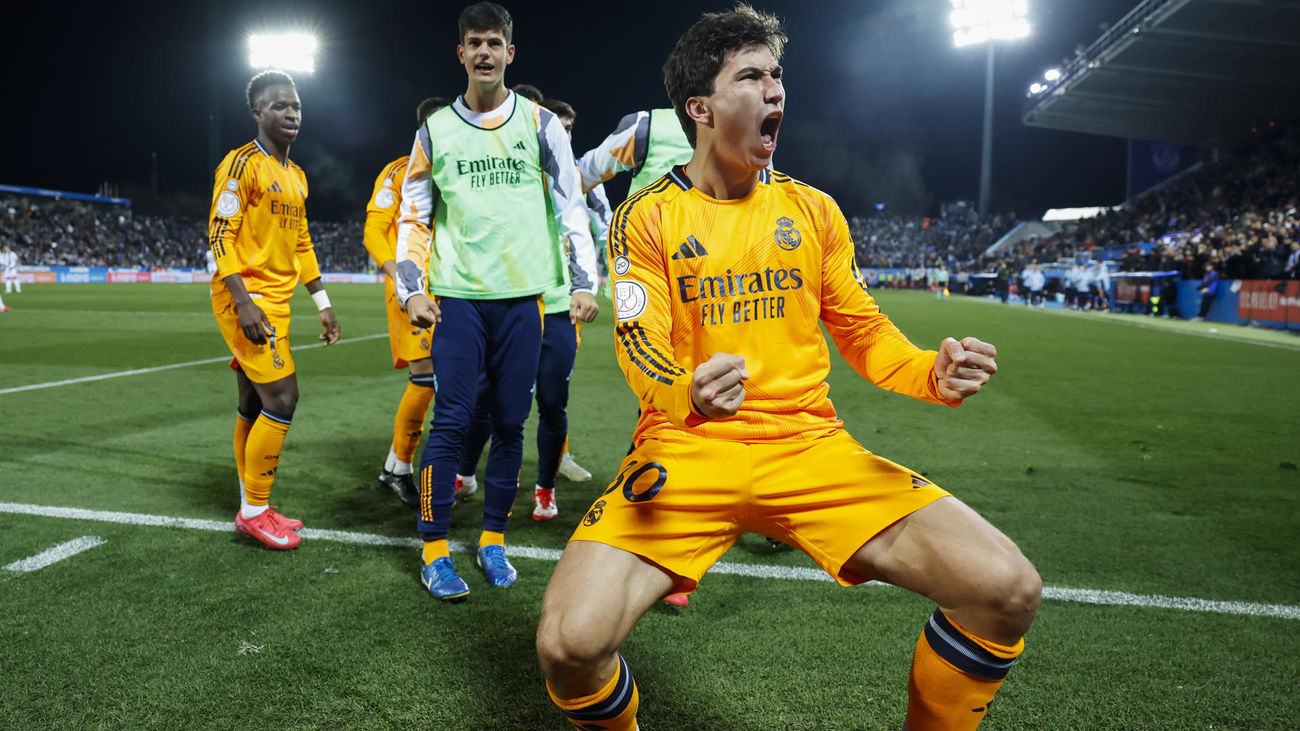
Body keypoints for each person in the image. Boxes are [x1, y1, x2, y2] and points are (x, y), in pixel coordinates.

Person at [535, 7, 1041, 730]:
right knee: (567, 644)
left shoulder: (813, 211)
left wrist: (933, 370)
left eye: (777, 75)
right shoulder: (643, 217)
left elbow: (864, 331)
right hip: (687, 451)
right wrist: (687, 392)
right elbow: (638, 341)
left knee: (1008, 587)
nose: (775, 90)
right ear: (701, 108)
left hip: (809, 450)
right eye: (751, 76)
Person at [394, 2, 600, 601]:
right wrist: (412, 291)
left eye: (495, 43)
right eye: (474, 43)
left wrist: (585, 281)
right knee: (452, 424)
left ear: (511, 52)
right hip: (459, 301)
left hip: (524, 303)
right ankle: (433, 550)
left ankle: (491, 543)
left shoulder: (542, 126)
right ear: (460, 53)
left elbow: (570, 208)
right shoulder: (433, 131)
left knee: (511, 423)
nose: (485, 53)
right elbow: (413, 216)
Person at [455, 96, 605, 522]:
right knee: (489, 399)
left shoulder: (576, 178)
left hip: (557, 307)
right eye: (559, 127)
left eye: (570, 129)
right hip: (510, 300)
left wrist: (586, 285)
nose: (564, 136)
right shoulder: (506, 173)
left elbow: (595, 226)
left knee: (553, 404)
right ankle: (466, 473)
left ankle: (545, 489)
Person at [208, 69, 341, 551]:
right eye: (280, 106)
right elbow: (220, 234)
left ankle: (252, 503)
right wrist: (242, 300)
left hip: (278, 300)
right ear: (257, 113)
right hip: (247, 298)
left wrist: (321, 302)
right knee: (282, 399)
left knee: (252, 402)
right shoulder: (241, 164)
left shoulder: (296, 175)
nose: (291, 113)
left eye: (297, 107)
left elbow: (301, 243)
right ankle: (255, 512)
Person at [364, 96, 449, 510]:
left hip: (454, 286)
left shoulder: (455, 170)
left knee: (446, 380)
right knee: (425, 377)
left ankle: (398, 463)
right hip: (414, 288)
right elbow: (374, 231)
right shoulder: (399, 171)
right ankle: (400, 469)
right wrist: (400, 275)